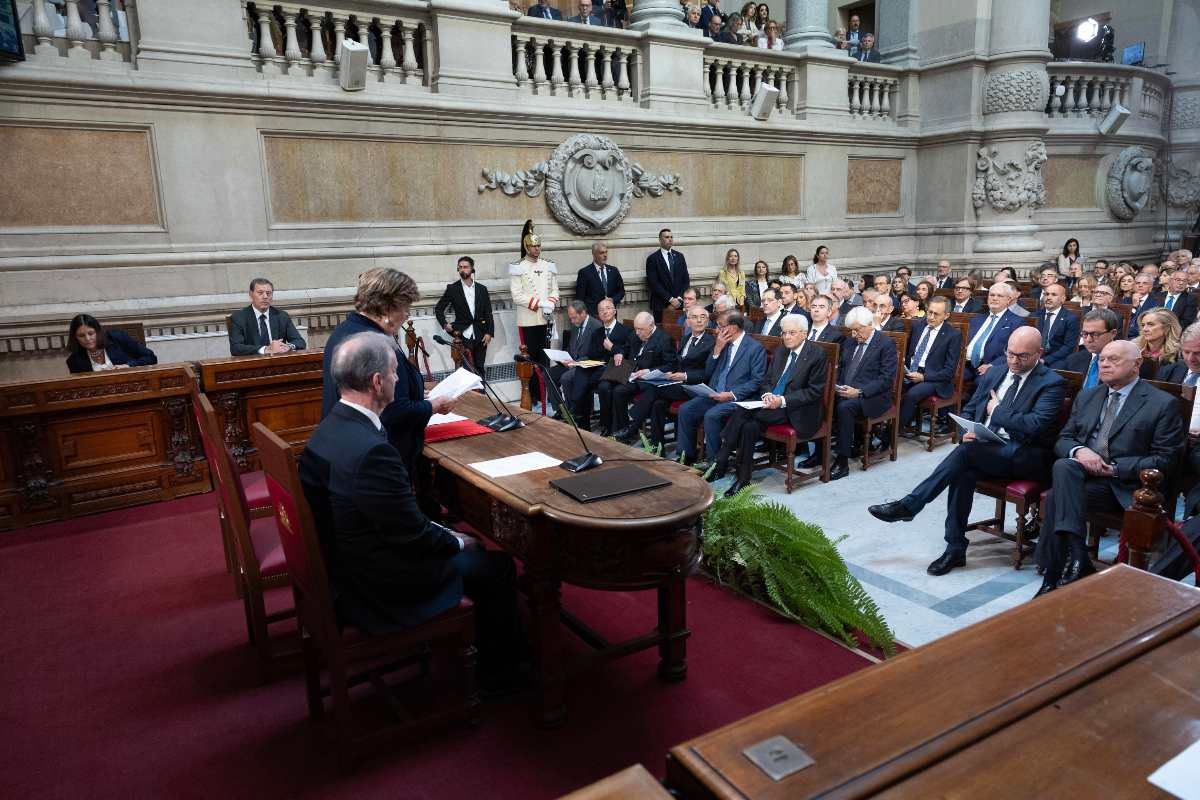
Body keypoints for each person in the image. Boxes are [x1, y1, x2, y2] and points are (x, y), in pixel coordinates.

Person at [299, 332, 523, 689]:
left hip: (344, 565)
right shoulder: (373, 452)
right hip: (379, 587)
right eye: (394, 373)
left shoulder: (329, 428)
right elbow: (412, 536)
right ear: (377, 382)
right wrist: (459, 540)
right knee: (495, 565)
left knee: (459, 541)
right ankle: (502, 677)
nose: (398, 379)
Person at [870, 327, 1066, 576]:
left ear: (1039, 353)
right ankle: (955, 548)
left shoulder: (1052, 383)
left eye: (1023, 356)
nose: (1014, 361)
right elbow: (971, 408)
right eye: (1010, 354)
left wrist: (997, 412)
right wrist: (968, 430)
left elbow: (1034, 426)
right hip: (988, 448)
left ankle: (911, 505)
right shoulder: (996, 372)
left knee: (966, 454)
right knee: (963, 469)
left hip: (1027, 454)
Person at [1034, 340, 1183, 596]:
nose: (1104, 364)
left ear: (1137, 364)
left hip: (1124, 484)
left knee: (1059, 496)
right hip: (1082, 474)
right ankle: (1078, 557)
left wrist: (1113, 469)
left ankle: (1053, 576)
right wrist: (1080, 451)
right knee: (1065, 465)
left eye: (1113, 359)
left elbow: (1166, 460)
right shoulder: (1089, 395)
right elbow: (1064, 439)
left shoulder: (1161, 403)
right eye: (1102, 359)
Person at [322, 268, 453, 480]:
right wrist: (433, 406)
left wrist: (411, 392)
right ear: (386, 308)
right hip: (373, 464)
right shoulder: (374, 343)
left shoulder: (346, 330)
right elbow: (393, 412)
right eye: (405, 307)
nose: (407, 314)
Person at [707, 315, 828, 494]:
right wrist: (768, 394)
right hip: (771, 404)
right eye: (784, 333)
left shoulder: (817, 354)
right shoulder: (781, 350)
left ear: (804, 333)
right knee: (749, 427)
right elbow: (767, 381)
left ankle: (721, 459)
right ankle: (743, 479)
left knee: (742, 411)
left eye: (792, 333)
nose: (787, 337)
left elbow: (814, 391)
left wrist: (782, 400)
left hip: (797, 409)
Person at [674, 311, 767, 466]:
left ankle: (715, 464)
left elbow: (757, 381)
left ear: (733, 328)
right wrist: (717, 349)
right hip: (715, 393)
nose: (716, 330)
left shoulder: (755, 348)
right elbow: (708, 372)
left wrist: (731, 394)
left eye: (720, 326)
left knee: (712, 415)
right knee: (686, 410)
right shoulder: (722, 343)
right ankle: (687, 456)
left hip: (738, 398)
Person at [614, 306, 714, 446]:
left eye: (703, 317)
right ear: (688, 321)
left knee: (653, 389)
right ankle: (657, 446)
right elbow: (676, 363)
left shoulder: (711, 342)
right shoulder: (686, 339)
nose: (699, 320)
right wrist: (669, 374)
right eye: (694, 317)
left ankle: (632, 427)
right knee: (657, 404)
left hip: (693, 386)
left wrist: (684, 375)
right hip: (676, 383)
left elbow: (708, 372)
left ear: (708, 321)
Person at [824, 306, 898, 480]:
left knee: (845, 408)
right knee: (823, 399)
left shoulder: (885, 344)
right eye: (852, 330)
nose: (854, 334)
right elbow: (842, 368)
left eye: (857, 330)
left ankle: (842, 462)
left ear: (870, 324)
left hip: (873, 395)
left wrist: (859, 392)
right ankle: (820, 453)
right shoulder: (850, 342)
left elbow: (886, 379)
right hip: (847, 390)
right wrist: (837, 386)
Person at [511, 221, 560, 410]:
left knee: (545, 359)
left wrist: (551, 302)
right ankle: (531, 396)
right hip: (528, 320)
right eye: (533, 246)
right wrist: (540, 304)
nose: (537, 249)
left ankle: (545, 395)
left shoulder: (549, 265)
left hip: (545, 319)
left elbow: (555, 289)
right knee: (529, 359)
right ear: (526, 247)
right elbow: (517, 296)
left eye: (538, 245)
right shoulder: (518, 267)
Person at [603, 312, 678, 436]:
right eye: (636, 328)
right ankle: (621, 429)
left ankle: (628, 430)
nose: (637, 332)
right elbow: (625, 348)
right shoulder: (634, 335)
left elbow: (671, 365)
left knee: (620, 391)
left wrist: (648, 371)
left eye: (641, 329)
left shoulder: (664, 340)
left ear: (651, 326)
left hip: (650, 380)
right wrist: (619, 353)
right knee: (615, 389)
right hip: (634, 375)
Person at [897, 296, 962, 433]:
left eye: (936, 314)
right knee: (886, 385)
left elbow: (949, 371)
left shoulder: (953, 335)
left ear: (946, 315)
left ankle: (892, 433)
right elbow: (908, 353)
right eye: (929, 312)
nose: (931, 317)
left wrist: (923, 377)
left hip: (933, 378)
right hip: (910, 370)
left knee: (912, 394)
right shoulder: (918, 325)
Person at [551, 300, 607, 429]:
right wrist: (564, 358)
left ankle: (574, 412)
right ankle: (562, 409)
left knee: (566, 378)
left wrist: (576, 363)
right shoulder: (576, 325)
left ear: (583, 313)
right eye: (570, 318)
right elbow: (572, 347)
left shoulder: (596, 326)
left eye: (574, 317)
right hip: (572, 362)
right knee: (548, 373)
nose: (572, 321)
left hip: (585, 364)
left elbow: (595, 354)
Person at [434, 256, 494, 374]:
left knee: (480, 366)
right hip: (462, 334)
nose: (462, 269)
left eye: (465, 267)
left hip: (481, 334)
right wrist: (445, 324)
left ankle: (481, 386)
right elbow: (439, 309)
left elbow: (488, 312)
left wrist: (489, 333)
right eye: (460, 267)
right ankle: (468, 387)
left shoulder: (482, 289)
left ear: (472, 269)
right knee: (466, 368)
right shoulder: (452, 288)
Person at [227, 277, 307, 356]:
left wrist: (288, 347)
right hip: (253, 362)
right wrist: (265, 349)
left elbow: (300, 342)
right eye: (260, 293)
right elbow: (236, 348)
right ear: (251, 295)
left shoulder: (281, 316)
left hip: (278, 361)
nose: (265, 296)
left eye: (268, 293)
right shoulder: (239, 317)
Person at [963, 283, 1024, 383]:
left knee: (983, 382)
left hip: (991, 366)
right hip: (964, 364)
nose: (994, 298)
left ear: (1008, 300)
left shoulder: (1016, 322)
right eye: (992, 295)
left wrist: (992, 365)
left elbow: (1014, 352)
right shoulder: (977, 319)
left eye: (999, 296)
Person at [65, 314, 157, 373]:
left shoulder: (118, 338)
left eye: (91, 333)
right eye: (81, 335)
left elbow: (151, 358)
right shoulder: (74, 361)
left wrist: (128, 365)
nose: (87, 339)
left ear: (98, 332)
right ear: (75, 338)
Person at [1065, 308, 1121, 389]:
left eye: (1095, 334)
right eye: (1085, 334)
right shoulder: (1073, 360)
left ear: (1113, 333)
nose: (1088, 340)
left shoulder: (1123, 363)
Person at [646, 228, 690, 324]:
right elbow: (653, 283)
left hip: (679, 304)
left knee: (678, 330)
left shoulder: (679, 256)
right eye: (666, 237)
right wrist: (670, 299)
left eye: (671, 237)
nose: (670, 239)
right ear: (660, 240)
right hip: (660, 305)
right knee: (662, 331)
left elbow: (686, 281)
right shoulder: (653, 259)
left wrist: (678, 299)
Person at [1032, 283, 1080, 368]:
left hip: (1056, 359)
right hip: (1033, 356)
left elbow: (1068, 347)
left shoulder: (1070, 319)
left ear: (1063, 299)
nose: (1049, 297)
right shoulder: (1034, 316)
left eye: (1053, 295)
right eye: (1046, 294)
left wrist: (1045, 360)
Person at [1132, 308, 1186, 382]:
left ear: (1167, 328)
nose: (1145, 329)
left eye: (1151, 324)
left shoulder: (1179, 356)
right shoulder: (1132, 349)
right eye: (1143, 325)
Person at [574, 241, 625, 316]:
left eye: (606, 252)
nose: (605, 255)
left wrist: (613, 300)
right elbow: (580, 298)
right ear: (594, 255)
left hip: (611, 314)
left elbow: (621, 291)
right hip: (593, 315)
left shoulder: (613, 270)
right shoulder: (584, 273)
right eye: (601, 253)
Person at [1126, 272, 1160, 337]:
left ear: (1150, 287)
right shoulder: (1125, 301)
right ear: (1134, 286)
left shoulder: (1156, 303)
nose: (1140, 285)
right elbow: (1123, 321)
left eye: (1145, 283)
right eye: (1138, 283)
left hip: (1144, 336)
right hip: (1124, 336)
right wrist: (1134, 307)